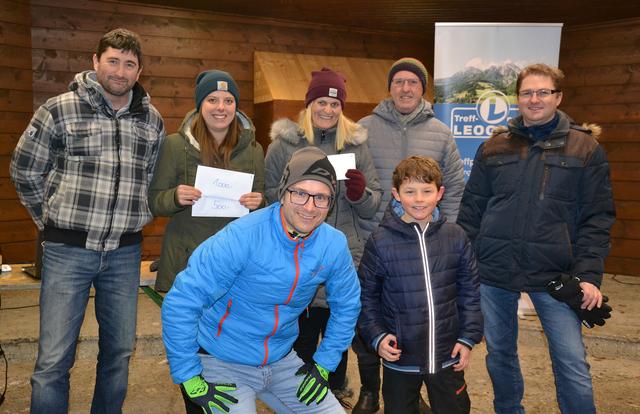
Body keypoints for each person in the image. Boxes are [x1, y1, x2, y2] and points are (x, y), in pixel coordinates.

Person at [10, 28, 165, 414]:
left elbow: (150, 178)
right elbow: (24, 170)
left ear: (139, 71)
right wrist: (49, 222)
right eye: (113, 60)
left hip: (124, 253)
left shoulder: (151, 120)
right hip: (67, 252)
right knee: (53, 360)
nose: (120, 70)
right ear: (95, 62)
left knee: (119, 353)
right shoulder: (58, 108)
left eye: (129, 64)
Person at [456, 63, 616, 414]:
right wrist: (463, 267)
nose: (534, 99)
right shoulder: (493, 148)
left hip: (555, 275)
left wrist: (589, 276)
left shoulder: (585, 150)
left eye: (543, 92)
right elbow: (472, 212)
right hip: (495, 270)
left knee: (571, 362)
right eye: (527, 92)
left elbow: (597, 219)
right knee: (500, 354)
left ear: (558, 97)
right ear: (518, 99)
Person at [162, 146, 361, 414]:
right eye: (300, 193)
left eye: (321, 198)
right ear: (283, 193)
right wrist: (188, 374)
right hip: (222, 359)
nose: (310, 207)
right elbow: (181, 301)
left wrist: (325, 362)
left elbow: (348, 304)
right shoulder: (242, 236)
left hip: (281, 359)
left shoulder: (333, 244)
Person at [354, 57, 465, 413]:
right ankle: (371, 390)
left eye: (413, 83)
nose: (405, 88)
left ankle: (417, 386)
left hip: (427, 244)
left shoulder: (441, 132)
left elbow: (456, 187)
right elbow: (353, 184)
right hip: (376, 239)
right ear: (390, 87)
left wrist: (439, 234)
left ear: (423, 88)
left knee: (421, 313)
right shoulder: (363, 128)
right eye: (399, 81)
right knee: (374, 317)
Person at [265, 67, 382, 402]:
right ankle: (292, 390)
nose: (328, 110)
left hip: (342, 250)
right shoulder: (285, 145)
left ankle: (335, 386)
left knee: (337, 325)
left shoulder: (356, 147)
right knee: (298, 325)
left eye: (334, 104)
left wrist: (359, 193)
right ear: (309, 105)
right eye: (321, 102)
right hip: (294, 250)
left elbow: (373, 203)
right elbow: (269, 193)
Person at [358, 156, 482, 414]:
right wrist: (377, 336)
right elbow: (367, 297)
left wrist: (468, 337)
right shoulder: (380, 241)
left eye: (427, 191)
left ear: (440, 193)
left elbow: (469, 291)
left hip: (448, 354)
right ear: (396, 194)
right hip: (400, 356)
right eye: (410, 192)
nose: (419, 199)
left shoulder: (455, 237)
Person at [148, 69, 265, 293]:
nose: (221, 107)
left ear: (236, 107)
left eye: (228, 101)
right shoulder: (174, 145)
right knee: (186, 327)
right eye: (212, 100)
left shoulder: (254, 150)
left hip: (236, 260)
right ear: (200, 105)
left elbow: (264, 203)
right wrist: (174, 196)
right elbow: (154, 200)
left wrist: (259, 201)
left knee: (233, 328)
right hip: (186, 258)